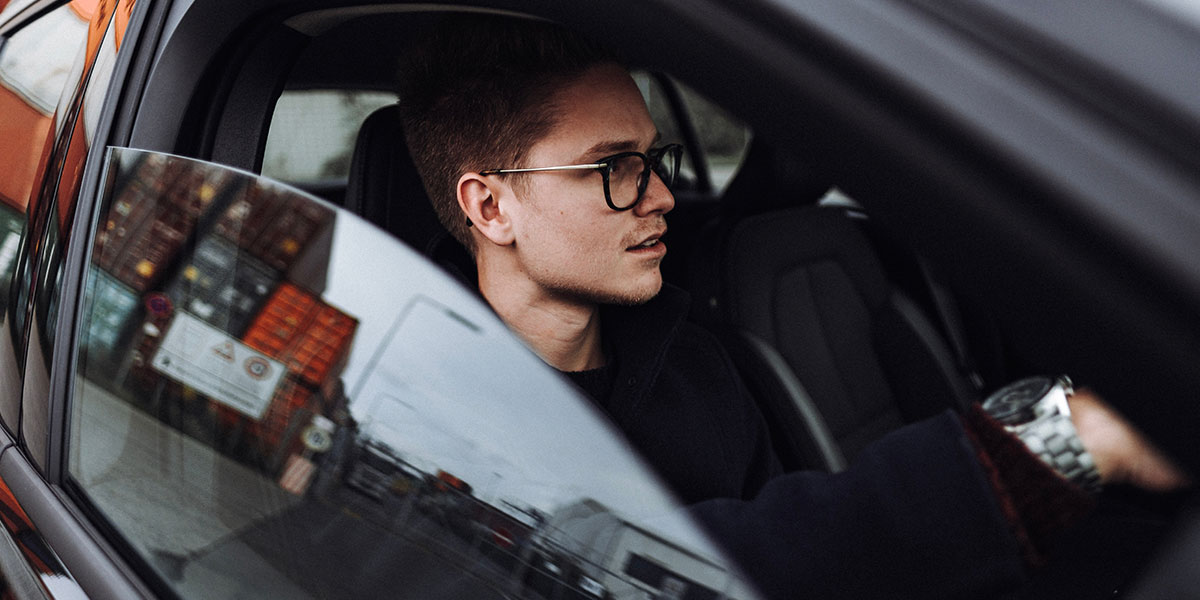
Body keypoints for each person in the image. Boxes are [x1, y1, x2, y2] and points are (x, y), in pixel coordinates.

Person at [395, 15, 1189, 598]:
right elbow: (661, 571)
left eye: (654, 159)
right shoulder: (418, 415)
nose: (662, 196)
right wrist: (1058, 443)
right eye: (613, 168)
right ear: (491, 208)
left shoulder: (697, 363)